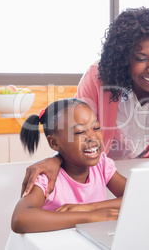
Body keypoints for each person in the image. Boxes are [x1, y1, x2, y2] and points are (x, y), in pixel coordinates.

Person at [21, 6, 149, 198]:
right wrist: (56, 160)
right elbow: (80, 134)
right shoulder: (96, 78)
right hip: (107, 174)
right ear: (123, 58)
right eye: (141, 58)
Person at [11, 98, 126, 233]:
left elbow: (138, 196)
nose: (93, 137)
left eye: (96, 128)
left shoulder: (101, 165)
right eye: (80, 132)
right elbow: (21, 219)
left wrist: (89, 208)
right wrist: (90, 217)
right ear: (54, 143)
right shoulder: (47, 177)